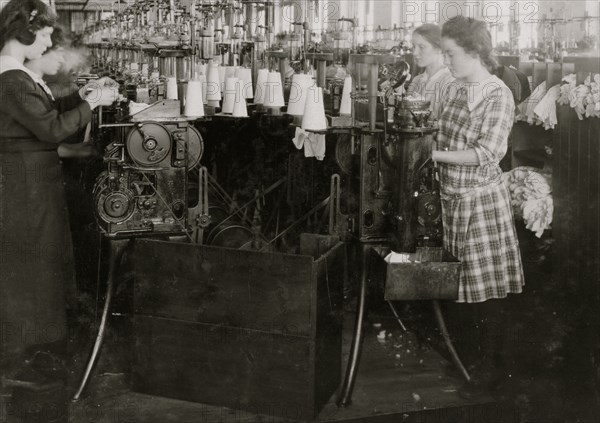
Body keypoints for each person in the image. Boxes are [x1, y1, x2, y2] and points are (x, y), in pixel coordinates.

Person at [0, 0, 118, 398]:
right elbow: (51, 130)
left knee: (36, 267)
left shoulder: (18, 78)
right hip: (24, 186)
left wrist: (81, 99)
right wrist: (92, 104)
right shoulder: (10, 79)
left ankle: (32, 355)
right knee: (29, 269)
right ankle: (20, 363)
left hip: (33, 181)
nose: (50, 39)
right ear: (25, 31)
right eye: (46, 32)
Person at [432, 16, 525, 398]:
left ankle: (493, 372)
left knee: (486, 291)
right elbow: (440, 128)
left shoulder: (497, 94)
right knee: (461, 287)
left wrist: (432, 154)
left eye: (452, 54)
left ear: (474, 52)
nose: (447, 61)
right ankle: (468, 361)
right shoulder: (455, 89)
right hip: (452, 199)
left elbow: (488, 153)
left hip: (481, 204)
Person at [406, 23, 454, 119]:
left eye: (422, 47)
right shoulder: (416, 80)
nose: (415, 53)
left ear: (439, 48)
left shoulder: (450, 83)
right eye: (414, 46)